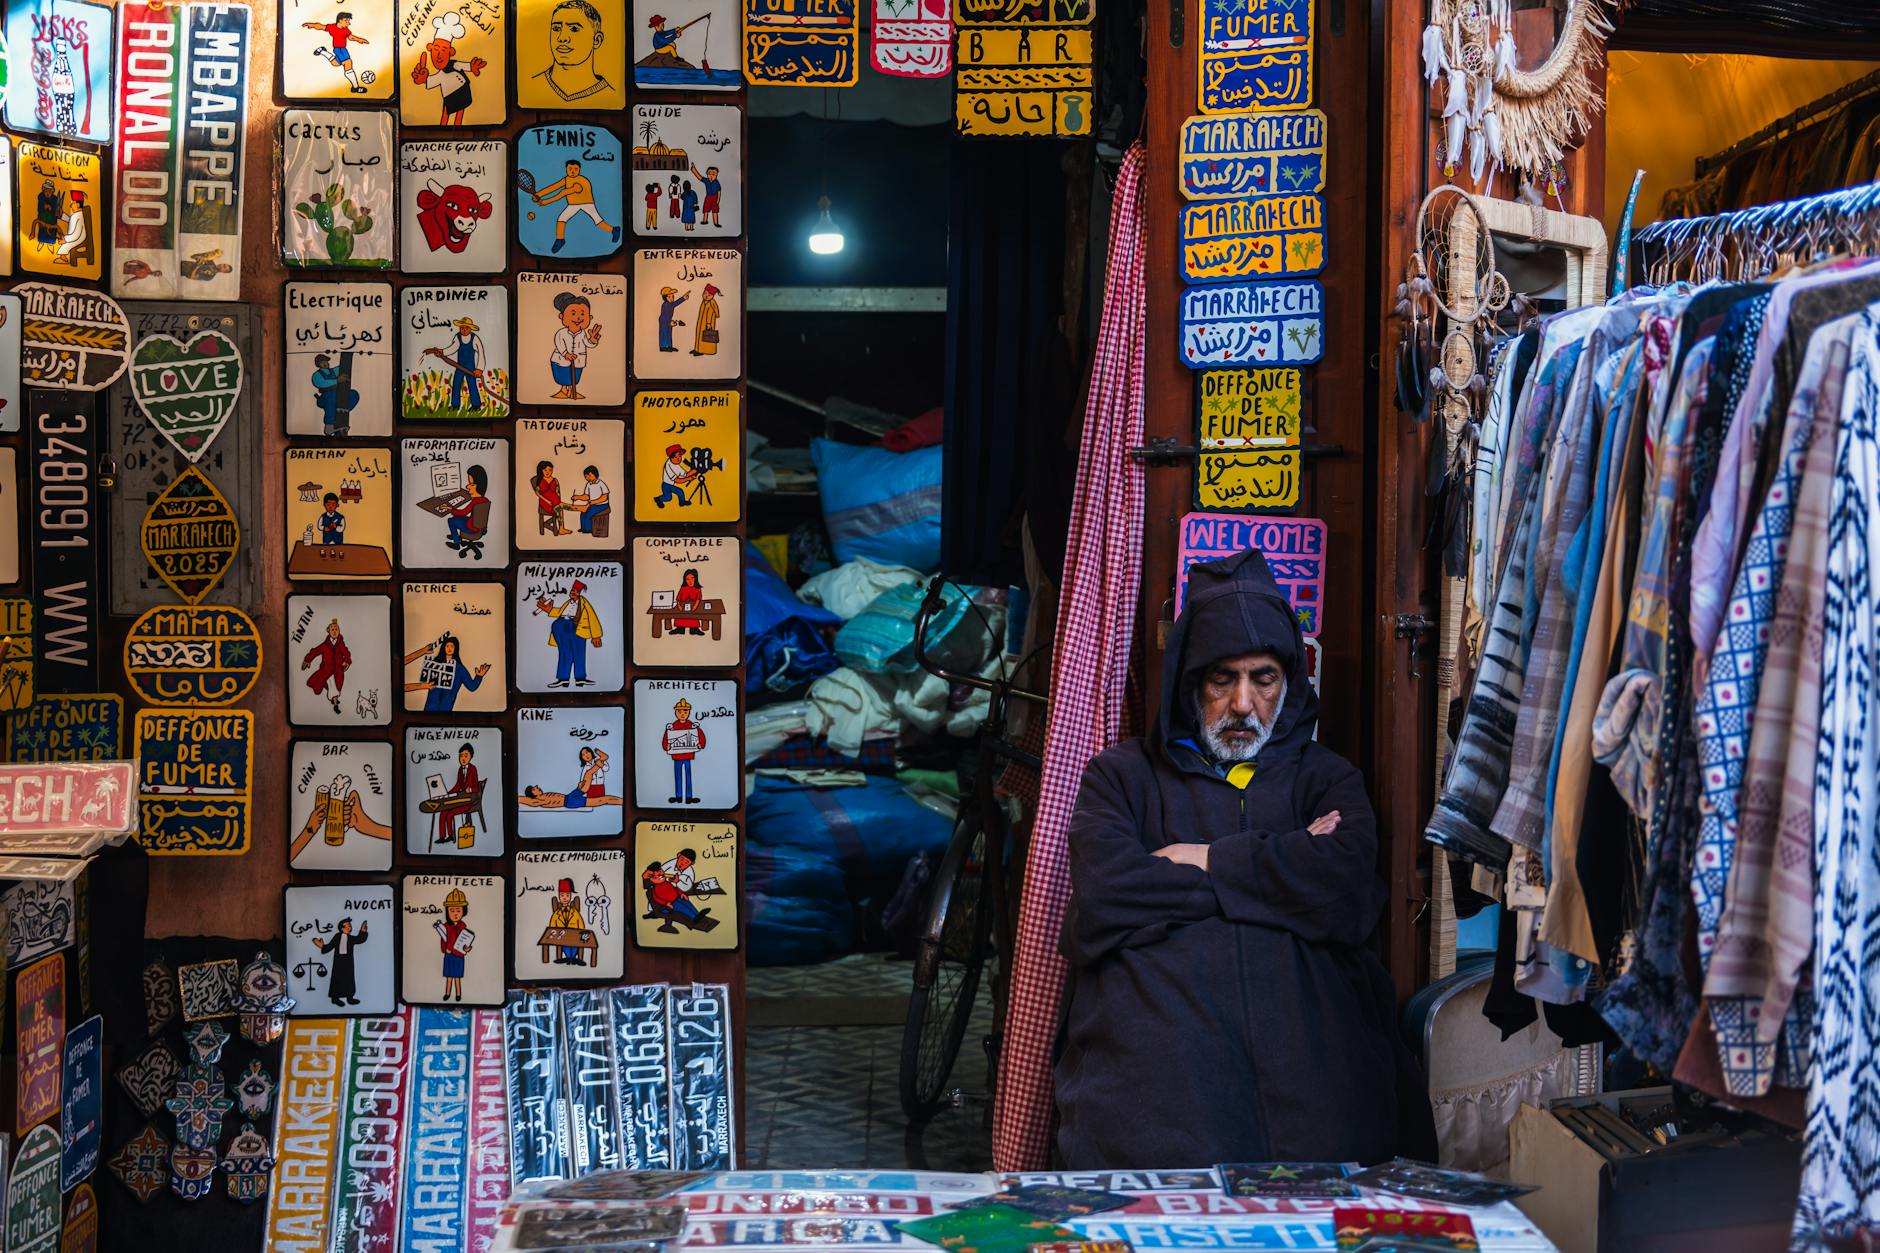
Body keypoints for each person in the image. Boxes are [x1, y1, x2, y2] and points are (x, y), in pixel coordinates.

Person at [1053, 550, 1436, 1168]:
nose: (1242, 704)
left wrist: (1201, 860)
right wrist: (1284, 874)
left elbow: (1342, 889)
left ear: (1289, 683)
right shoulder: (1120, 778)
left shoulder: (1325, 780)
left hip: (1312, 1064)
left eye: (1264, 679)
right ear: (1187, 684)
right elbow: (1106, 894)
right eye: (1220, 679)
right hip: (1161, 1070)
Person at [533, 159, 621, 253]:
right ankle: (560, 239)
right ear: (566, 169)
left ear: (579, 169)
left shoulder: (580, 182)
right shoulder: (566, 179)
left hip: (587, 203)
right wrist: (538, 194)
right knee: (561, 219)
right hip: (573, 204)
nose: (573, 171)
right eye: (570, 169)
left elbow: (562, 193)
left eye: (575, 169)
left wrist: (545, 202)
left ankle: (614, 230)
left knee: (598, 221)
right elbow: (554, 187)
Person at [533, 0, 611, 102]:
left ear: (596, 40)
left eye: (574, 29)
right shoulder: (533, 86)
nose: (562, 38)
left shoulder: (608, 94)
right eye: (556, 28)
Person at [537, 579, 602, 688]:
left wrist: (596, 635)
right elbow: (559, 612)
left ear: (580, 593)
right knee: (564, 652)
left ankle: (580, 679)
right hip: (561, 626)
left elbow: (592, 617)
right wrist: (548, 609)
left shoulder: (584, 603)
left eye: (576, 591)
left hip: (577, 628)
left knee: (579, 652)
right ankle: (563, 679)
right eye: (572, 590)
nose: (573, 592)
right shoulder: (568, 602)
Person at [403, 634, 490, 712]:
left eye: (452, 646)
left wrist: (479, 676)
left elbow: (471, 687)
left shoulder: (459, 669)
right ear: (443, 648)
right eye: (447, 646)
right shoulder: (434, 665)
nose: (449, 648)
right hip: (430, 708)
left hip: (445, 709)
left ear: (456, 648)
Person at [520, 746, 622, 808]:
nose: (537, 786)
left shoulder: (542, 796)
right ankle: (602, 760)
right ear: (532, 794)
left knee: (588, 774)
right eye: (534, 788)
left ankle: (603, 760)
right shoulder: (537, 801)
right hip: (570, 802)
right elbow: (523, 799)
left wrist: (579, 786)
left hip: (570, 796)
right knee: (603, 799)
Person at [548, 292, 601, 400]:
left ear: (589, 317)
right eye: (573, 314)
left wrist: (593, 340)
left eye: (582, 314)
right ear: (561, 316)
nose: (578, 318)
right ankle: (563, 390)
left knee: (574, 377)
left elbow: (587, 344)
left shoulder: (582, 334)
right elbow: (559, 343)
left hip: (578, 361)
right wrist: (565, 354)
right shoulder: (561, 333)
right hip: (560, 360)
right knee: (563, 376)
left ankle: (572, 391)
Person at [304, 11, 370, 93]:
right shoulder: (332, 27)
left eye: (349, 21)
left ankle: (322, 51)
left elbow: (351, 37)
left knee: (335, 63)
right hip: (339, 49)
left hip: (343, 49)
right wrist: (312, 25)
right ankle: (355, 87)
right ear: (340, 20)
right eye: (347, 21)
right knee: (348, 63)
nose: (349, 23)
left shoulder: (346, 30)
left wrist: (359, 39)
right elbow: (321, 26)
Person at [310, 917, 368, 1006]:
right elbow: (330, 946)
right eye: (347, 926)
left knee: (349, 978)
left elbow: (359, 939)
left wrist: (363, 931)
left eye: (350, 926)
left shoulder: (350, 938)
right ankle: (335, 998)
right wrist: (321, 944)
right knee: (337, 978)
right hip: (338, 961)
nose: (349, 928)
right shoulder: (337, 936)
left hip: (348, 961)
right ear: (342, 928)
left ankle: (350, 997)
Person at [300, 618, 352, 715]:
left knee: (336, 686)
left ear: (339, 631)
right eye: (332, 629)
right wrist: (308, 659)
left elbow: (346, 652)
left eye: (336, 629)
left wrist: (347, 661)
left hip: (337, 671)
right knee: (333, 687)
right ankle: (335, 704)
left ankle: (334, 699)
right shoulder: (325, 645)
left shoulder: (341, 644)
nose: (335, 631)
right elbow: (316, 651)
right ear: (328, 631)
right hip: (327, 671)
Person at [662, 697, 706, 803]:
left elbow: (700, 735)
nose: (682, 714)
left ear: (689, 712)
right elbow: (666, 737)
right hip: (676, 756)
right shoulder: (673, 726)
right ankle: (678, 796)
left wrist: (701, 744)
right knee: (677, 776)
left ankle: (688, 797)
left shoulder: (692, 725)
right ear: (676, 712)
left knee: (688, 776)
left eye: (685, 711)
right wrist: (666, 746)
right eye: (679, 711)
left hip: (687, 755)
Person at [435, 743, 480, 845]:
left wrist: (471, 789)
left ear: (470, 757)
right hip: (460, 799)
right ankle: (442, 837)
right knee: (443, 812)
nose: (462, 758)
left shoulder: (473, 769)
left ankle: (451, 835)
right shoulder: (460, 769)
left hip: (469, 801)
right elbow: (458, 785)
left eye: (465, 755)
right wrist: (447, 793)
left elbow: (476, 787)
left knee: (450, 813)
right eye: (460, 756)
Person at [446, 463, 492, 555]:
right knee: (458, 519)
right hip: (480, 527)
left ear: (479, 485)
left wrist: (451, 509)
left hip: (472, 528)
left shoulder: (475, 501)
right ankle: (456, 535)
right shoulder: (484, 500)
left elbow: (463, 512)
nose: (467, 486)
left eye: (471, 484)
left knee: (451, 521)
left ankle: (457, 543)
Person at [435, 888, 472, 1002]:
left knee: (457, 977)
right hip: (449, 955)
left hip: (459, 956)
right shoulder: (445, 926)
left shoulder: (463, 927)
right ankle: (447, 993)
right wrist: (445, 949)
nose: (455, 914)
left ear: (463, 911)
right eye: (452, 910)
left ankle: (458, 994)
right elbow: (443, 940)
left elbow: (466, 943)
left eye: (458, 910)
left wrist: (467, 948)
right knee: (449, 977)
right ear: (447, 912)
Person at [310, 354, 354, 436]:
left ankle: (343, 411)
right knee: (331, 397)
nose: (325, 363)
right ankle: (329, 426)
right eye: (322, 362)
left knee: (354, 394)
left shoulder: (333, 371)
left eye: (326, 361)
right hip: (325, 397)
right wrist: (337, 380)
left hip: (337, 396)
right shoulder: (317, 375)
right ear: (318, 364)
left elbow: (342, 367)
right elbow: (321, 383)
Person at [549, 878, 587, 965]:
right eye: (562, 895)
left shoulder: (575, 913)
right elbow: (552, 926)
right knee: (564, 945)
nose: (565, 898)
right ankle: (568, 958)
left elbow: (580, 924)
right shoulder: (556, 914)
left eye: (567, 895)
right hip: (561, 938)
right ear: (559, 897)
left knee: (574, 946)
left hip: (574, 938)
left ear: (570, 896)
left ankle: (572, 958)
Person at [533, 460, 571, 535]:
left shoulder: (555, 480)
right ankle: (561, 528)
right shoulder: (540, 480)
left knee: (560, 506)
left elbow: (558, 492)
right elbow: (538, 493)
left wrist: (558, 499)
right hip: (546, 502)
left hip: (555, 501)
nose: (547, 472)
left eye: (550, 470)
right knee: (560, 508)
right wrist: (547, 501)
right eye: (545, 470)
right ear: (541, 470)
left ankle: (561, 528)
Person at [571, 464, 610, 534]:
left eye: (589, 475)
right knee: (583, 512)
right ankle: (583, 528)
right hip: (593, 504)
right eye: (586, 477)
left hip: (602, 505)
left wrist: (593, 501)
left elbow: (604, 497)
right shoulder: (589, 484)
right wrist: (577, 497)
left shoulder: (601, 484)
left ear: (594, 474)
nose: (587, 478)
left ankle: (588, 529)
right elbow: (587, 496)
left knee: (589, 513)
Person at [655, 443, 695, 509]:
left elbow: (684, 460)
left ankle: (682, 502)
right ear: (670, 458)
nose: (679, 458)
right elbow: (678, 479)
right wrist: (689, 478)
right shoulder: (670, 467)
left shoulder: (677, 460)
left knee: (680, 491)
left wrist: (691, 466)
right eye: (676, 457)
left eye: (679, 455)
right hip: (666, 485)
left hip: (671, 484)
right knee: (668, 498)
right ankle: (658, 499)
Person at [673, 568, 706, 635]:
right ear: (685, 580)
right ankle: (680, 629)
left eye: (692, 578)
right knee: (680, 619)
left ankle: (694, 629)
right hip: (682, 609)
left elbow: (698, 599)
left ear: (695, 579)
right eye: (687, 579)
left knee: (693, 619)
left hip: (693, 608)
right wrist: (679, 606)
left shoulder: (697, 589)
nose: (690, 581)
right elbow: (678, 599)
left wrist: (694, 607)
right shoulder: (683, 588)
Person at [689, 163, 723, 228]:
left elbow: (719, 191)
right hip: (708, 197)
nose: (711, 176)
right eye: (709, 173)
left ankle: (716, 222)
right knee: (706, 209)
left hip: (714, 197)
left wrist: (718, 199)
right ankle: (705, 220)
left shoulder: (716, 182)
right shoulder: (706, 180)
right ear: (707, 174)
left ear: (716, 175)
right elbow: (699, 177)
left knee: (715, 210)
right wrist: (693, 170)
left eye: (713, 174)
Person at [691, 284, 720, 357]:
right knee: (699, 335)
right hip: (701, 322)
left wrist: (708, 323)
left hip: (706, 323)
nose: (706, 296)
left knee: (705, 336)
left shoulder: (711, 303)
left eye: (709, 295)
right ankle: (697, 348)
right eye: (705, 293)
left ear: (712, 296)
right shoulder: (704, 301)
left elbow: (710, 313)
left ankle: (702, 350)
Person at [657, 287, 688, 352]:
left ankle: (669, 346)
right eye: (669, 297)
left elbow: (675, 303)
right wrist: (668, 323)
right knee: (664, 333)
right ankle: (663, 347)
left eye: (672, 297)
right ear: (665, 298)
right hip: (664, 321)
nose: (672, 298)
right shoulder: (666, 305)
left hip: (668, 321)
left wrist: (683, 298)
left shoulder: (670, 304)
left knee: (669, 333)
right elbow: (663, 316)